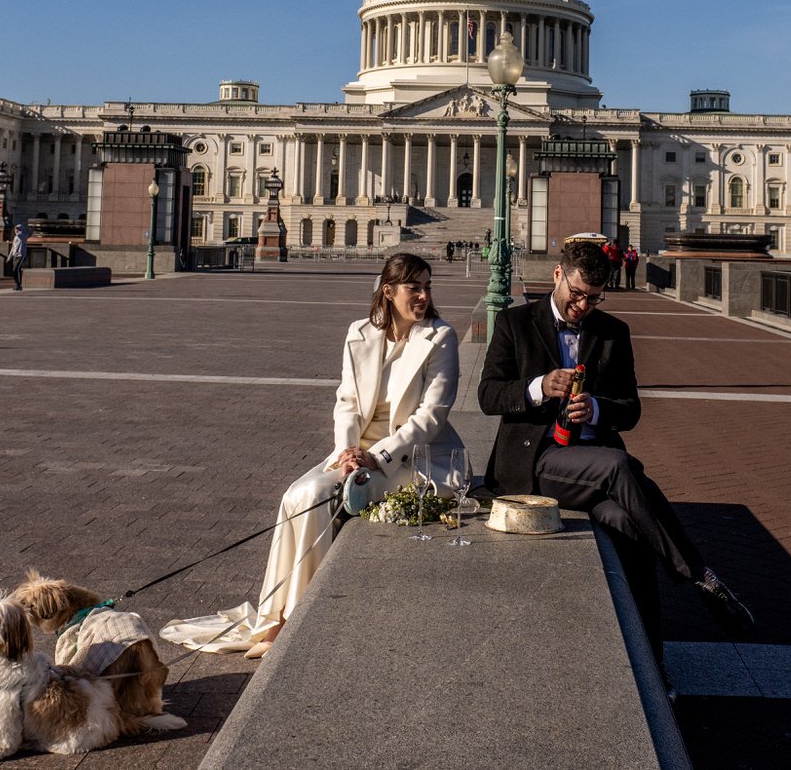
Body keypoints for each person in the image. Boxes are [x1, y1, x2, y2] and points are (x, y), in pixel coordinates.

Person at [162, 252, 463, 659]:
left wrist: (378, 455)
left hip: (415, 460)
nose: (424, 295)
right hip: (357, 454)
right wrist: (346, 452)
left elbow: (431, 417)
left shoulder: (440, 337)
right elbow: (347, 403)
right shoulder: (359, 333)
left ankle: (297, 622)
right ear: (388, 292)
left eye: (428, 286)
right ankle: (277, 618)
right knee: (297, 494)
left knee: (320, 499)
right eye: (415, 287)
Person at [478, 240, 753, 653]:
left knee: (631, 530)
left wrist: (598, 409)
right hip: (537, 462)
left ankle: (652, 662)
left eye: (593, 299)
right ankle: (698, 576)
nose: (582, 307)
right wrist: (538, 387)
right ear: (558, 275)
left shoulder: (613, 333)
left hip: (591, 460)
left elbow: (630, 410)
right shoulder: (514, 323)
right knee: (620, 466)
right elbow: (488, 395)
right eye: (576, 296)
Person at [7, 222, 29, 290]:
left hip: (21, 255)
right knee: (16, 270)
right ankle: (17, 284)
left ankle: (18, 285)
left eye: (18, 229)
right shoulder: (15, 237)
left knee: (15, 269)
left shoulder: (22, 236)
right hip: (15, 256)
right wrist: (9, 257)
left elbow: (22, 234)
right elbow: (13, 248)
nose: (16, 230)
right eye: (16, 229)